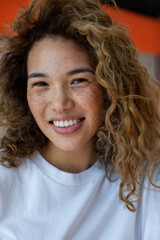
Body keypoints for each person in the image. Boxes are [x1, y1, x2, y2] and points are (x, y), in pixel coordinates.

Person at [0, 0, 159, 239]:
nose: (60, 104)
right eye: (41, 84)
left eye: (78, 81)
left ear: (110, 86)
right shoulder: (5, 178)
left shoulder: (144, 177)